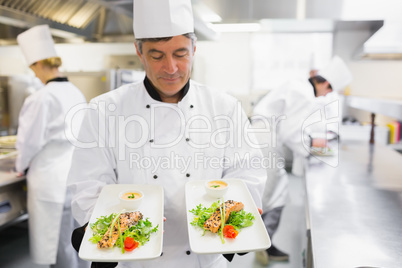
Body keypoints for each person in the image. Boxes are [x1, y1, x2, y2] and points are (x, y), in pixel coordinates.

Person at [67, 1, 266, 267]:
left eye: (180, 54)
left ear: (194, 49)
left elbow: (246, 173)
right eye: (157, 55)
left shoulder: (224, 107)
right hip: (135, 258)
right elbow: (88, 185)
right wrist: (109, 229)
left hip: (205, 259)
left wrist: (235, 217)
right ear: (139, 52)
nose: (170, 68)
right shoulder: (104, 110)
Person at [252, 55, 353, 265]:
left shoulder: (299, 87)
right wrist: (310, 144)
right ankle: (260, 243)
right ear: (325, 84)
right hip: (265, 141)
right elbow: (292, 133)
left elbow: (292, 127)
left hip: (264, 137)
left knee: (274, 192)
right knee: (274, 194)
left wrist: (307, 142)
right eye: (329, 91)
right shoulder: (305, 94)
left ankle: (264, 242)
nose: (326, 95)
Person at [15, 25, 88, 268]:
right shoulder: (75, 92)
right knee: (74, 241)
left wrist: (20, 166)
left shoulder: (41, 97)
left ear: (37, 64)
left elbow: (29, 142)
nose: (34, 74)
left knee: (56, 245)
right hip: (74, 175)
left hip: (48, 180)